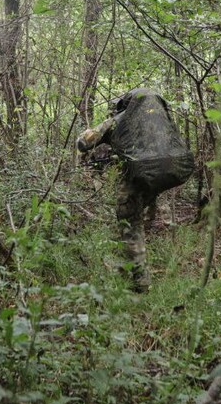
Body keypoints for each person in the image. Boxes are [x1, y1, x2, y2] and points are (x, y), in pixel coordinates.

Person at [77, 88, 193, 292]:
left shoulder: (120, 119)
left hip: (138, 176)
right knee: (138, 212)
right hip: (165, 176)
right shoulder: (162, 120)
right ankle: (130, 260)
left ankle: (140, 282)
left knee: (130, 224)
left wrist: (88, 134)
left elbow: (85, 143)